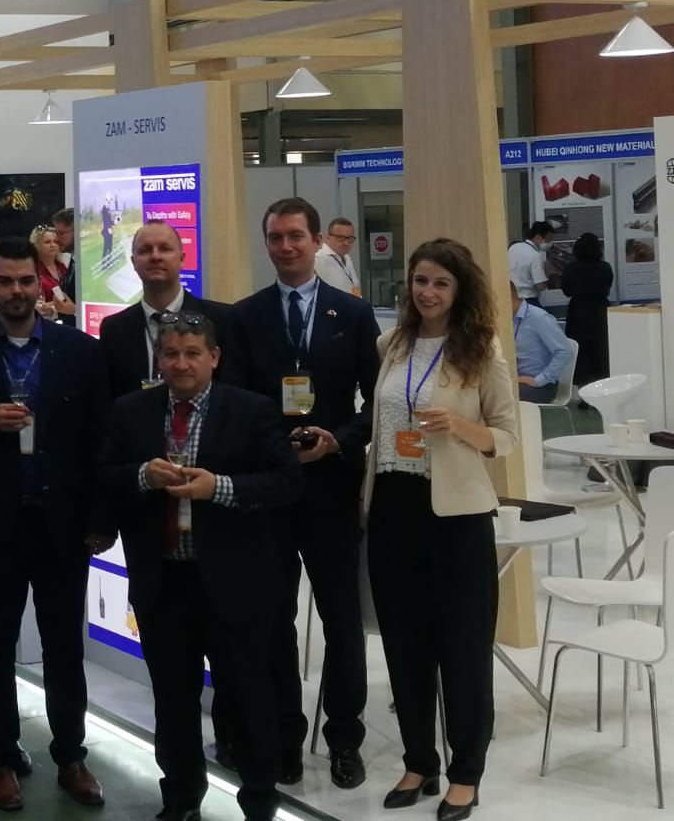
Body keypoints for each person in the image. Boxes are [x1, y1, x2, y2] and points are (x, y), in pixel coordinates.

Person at [96, 313, 301, 821]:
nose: (181, 364)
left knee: (249, 698)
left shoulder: (251, 410)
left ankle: (259, 801)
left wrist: (219, 488)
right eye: (171, 354)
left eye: (192, 353)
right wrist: (142, 476)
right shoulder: (131, 411)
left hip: (235, 584)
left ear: (214, 358)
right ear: (158, 359)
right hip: (163, 583)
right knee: (173, 700)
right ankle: (182, 799)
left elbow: (286, 482)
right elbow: (102, 477)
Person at [0, 236, 110, 810]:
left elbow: (100, 440)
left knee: (64, 648)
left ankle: (71, 755)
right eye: (6, 281)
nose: (16, 290)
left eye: (26, 281)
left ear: (42, 285)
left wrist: (99, 517)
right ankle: (2, 757)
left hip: (62, 525)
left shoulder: (79, 351)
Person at [364, 239, 517, 821]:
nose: (427, 292)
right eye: (420, 280)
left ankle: (466, 773)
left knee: (463, 650)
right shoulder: (392, 343)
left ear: (460, 290)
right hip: (391, 507)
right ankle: (419, 761)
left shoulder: (481, 349)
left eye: (440, 283)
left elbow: (506, 436)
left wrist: (458, 425)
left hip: (456, 515)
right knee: (404, 645)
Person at [233, 198, 379, 788]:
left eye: (296, 236)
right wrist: (277, 449)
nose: (286, 247)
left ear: (317, 241)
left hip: (333, 487)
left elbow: (379, 402)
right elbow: (237, 405)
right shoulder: (245, 317)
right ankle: (283, 738)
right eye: (276, 237)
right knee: (274, 620)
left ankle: (344, 738)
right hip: (270, 491)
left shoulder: (354, 314)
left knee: (341, 618)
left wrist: (338, 440)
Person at [99, 222, 244, 397]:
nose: (155, 256)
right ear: (133, 262)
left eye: (165, 249)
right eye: (145, 250)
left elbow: (234, 391)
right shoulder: (114, 328)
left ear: (182, 259)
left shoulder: (222, 319)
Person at [561, 232, 613, 388]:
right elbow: (607, 288)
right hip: (600, 310)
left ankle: (584, 388)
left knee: (581, 350)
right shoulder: (605, 267)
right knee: (601, 348)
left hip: (578, 311)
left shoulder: (571, 268)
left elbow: (566, 291)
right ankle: (603, 385)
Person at [510, 280, 572, 403]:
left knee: (500, 395)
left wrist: (539, 380)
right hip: (515, 379)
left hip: (540, 386)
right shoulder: (507, 318)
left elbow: (564, 351)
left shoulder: (538, 317)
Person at [31, 226, 76, 325]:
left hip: (66, 319)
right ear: (37, 245)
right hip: (44, 321)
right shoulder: (33, 269)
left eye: (56, 242)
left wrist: (52, 305)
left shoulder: (64, 266)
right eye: (47, 242)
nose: (53, 245)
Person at [315, 218, 362, 297]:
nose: (346, 243)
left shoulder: (347, 258)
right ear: (328, 237)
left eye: (350, 238)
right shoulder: (318, 259)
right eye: (341, 238)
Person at [507, 221, 552, 301]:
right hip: (528, 298)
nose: (550, 243)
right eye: (548, 239)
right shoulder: (535, 255)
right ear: (538, 237)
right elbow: (541, 286)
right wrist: (547, 272)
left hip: (511, 297)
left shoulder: (513, 247)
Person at [52, 207, 77, 301]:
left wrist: (73, 309)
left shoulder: (87, 263)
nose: (56, 239)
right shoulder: (73, 259)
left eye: (61, 233)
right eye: (56, 233)